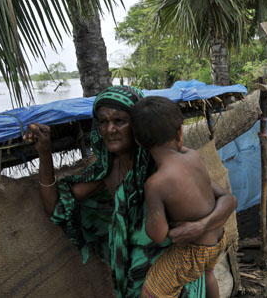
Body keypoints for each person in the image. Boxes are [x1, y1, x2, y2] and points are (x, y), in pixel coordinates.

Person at [23, 85, 237, 298]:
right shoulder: (105, 171)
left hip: (176, 270)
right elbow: (56, 208)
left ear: (137, 128)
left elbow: (227, 200)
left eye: (119, 121)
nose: (109, 130)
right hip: (134, 278)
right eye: (103, 122)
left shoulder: (164, 167)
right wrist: (45, 152)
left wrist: (199, 226)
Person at [130, 96, 234, 298]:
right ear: (180, 131)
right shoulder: (193, 156)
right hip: (218, 240)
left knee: (151, 292)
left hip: (192, 252)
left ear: (138, 141)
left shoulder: (155, 183)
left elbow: (158, 234)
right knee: (209, 275)